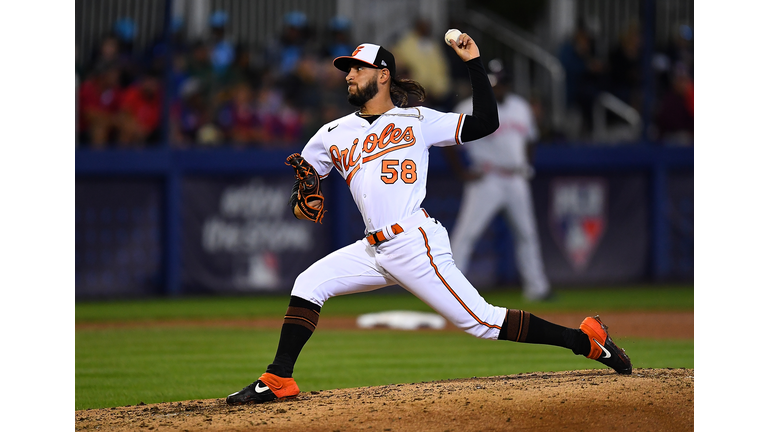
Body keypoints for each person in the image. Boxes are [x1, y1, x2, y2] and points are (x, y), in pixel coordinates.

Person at [226, 33, 632, 406]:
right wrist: (301, 201)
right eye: (346, 69)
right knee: (308, 283)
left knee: (483, 322)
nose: (349, 75)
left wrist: (474, 63)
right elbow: (304, 192)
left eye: (357, 68)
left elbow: (485, 123)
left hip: (414, 242)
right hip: (373, 247)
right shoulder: (330, 133)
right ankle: (279, 378)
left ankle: (587, 342)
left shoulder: (417, 120)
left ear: (383, 76)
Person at [446, 60, 551, 302]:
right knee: (467, 235)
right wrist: (461, 172)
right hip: (486, 178)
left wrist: (526, 164)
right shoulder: (468, 106)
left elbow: (531, 139)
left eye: (501, 83)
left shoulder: (520, 107)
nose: (498, 88)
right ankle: (449, 291)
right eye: (493, 83)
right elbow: (447, 141)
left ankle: (537, 288)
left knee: (527, 234)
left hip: (516, 178)